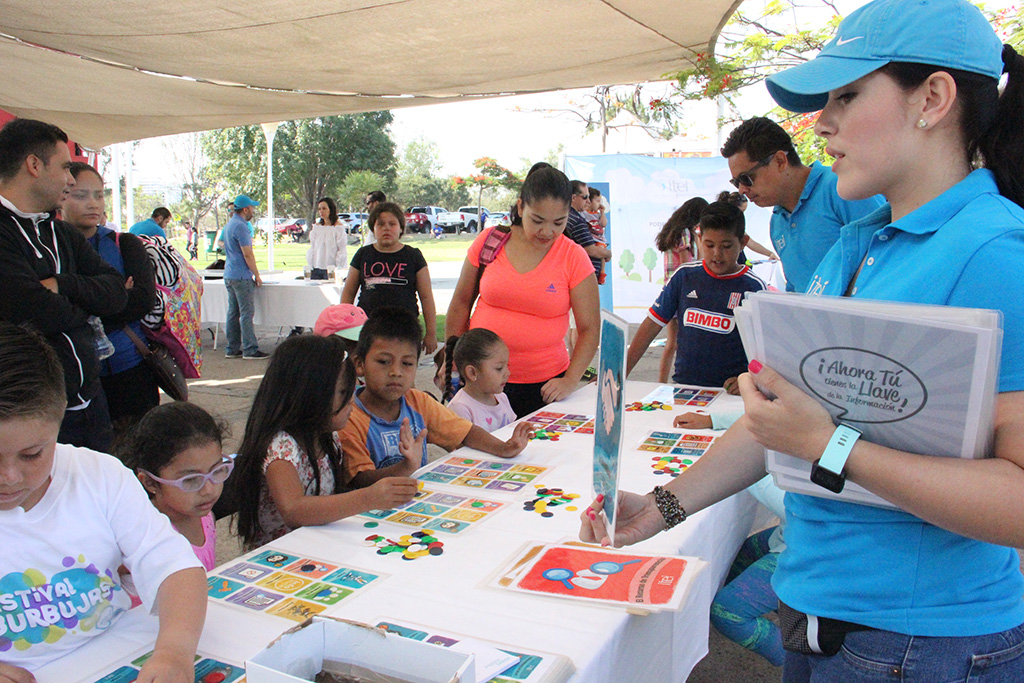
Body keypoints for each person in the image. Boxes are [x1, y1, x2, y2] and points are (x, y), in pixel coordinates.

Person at [582, 1, 1024, 679]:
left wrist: (831, 445)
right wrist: (662, 507)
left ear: (933, 98)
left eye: (847, 95)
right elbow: (778, 420)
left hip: (918, 641)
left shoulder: (993, 251)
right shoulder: (856, 245)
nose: (824, 123)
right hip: (821, 614)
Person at [0, 322, 206, 678]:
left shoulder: (99, 476)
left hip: (114, 660)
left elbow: (176, 567)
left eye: (32, 454)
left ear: (60, 416)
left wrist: (174, 652)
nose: (9, 477)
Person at [0, 118, 127, 451]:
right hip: (28, 416)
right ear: (33, 165)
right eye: (65, 168)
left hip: (91, 401)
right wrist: (88, 308)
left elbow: (116, 295)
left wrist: (62, 283)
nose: (70, 180)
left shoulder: (62, 233)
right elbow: (34, 310)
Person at [234, 334, 419, 549]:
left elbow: (348, 490)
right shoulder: (281, 446)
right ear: (308, 394)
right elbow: (294, 509)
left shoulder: (327, 436)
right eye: (342, 392)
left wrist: (405, 467)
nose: (351, 400)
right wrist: (368, 498)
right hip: (278, 558)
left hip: (317, 544)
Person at [446, 167, 600, 418]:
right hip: (482, 384)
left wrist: (570, 381)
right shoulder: (489, 242)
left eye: (558, 222)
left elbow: (590, 328)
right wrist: (454, 361)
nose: (547, 232)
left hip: (545, 387)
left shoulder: (573, 256)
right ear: (520, 208)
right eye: (537, 220)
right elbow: (461, 303)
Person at [340, 307, 533, 487]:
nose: (395, 372)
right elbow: (359, 481)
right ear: (359, 364)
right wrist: (405, 468)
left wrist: (504, 448)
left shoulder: (418, 402)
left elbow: (465, 432)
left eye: (407, 363)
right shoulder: (349, 417)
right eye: (384, 361)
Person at [721, 117, 881, 293]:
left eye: (746, 179)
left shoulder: (842, 189)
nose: (742, 190)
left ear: (780, 161)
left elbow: (888, 261)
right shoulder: (777, 222)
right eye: (736, 182)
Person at [62, 162, 160, 438]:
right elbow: (48, 308)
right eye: (81, 195)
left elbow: (142, 301)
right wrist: (114, 293)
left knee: (141, 447)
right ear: (62, 194)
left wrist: (81, 298)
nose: (93, 203)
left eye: (99, 195)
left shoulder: (125, 244)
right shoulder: (52, 248)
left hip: (130, 365)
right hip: (75, 375)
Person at [626, 201, 766, 394]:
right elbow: (651, 325)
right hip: (684, 388)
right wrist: (619, 372)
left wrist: (752, 377)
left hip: (730, 394)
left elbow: (767, 348)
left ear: (742, 242)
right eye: (709, 245)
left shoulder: (754, 287)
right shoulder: (684, 276)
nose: (717, 254)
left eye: (726, 246)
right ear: (699, 239)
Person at [121, 402, 229, 571]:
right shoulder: (142, 540)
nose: (208, 490)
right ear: (150, 482)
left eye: (216, 471)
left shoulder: (205, 516)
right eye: (191, 480)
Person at [341, 202, 438, 354]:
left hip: (405, 329)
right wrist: (346, 325)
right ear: (373, 228)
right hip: (369, 328)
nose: (386, 228)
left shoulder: (413, 256)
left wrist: (431, 333)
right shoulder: (362, 254)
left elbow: (426, 297)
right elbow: (348, 292)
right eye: (380, 224)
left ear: (401, 228)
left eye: (392, 224)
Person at [653, 197, 708, 384]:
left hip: (673, 289)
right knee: (675, 343)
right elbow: (688, 265)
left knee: (672, 343)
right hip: (683, 291)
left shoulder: (675, 231)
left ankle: (661, 382)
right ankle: (664, 383)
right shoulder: (685, 233)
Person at [444, 328, 517, 432]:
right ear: (472, 373)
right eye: (499, 368)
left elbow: (511, 431)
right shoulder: (460, 408)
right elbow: (462, 446)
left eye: (507, 366)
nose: (507, 373)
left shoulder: (501, 398)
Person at [222, 193, 267, 360]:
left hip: (230, 273)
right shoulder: (241, 226)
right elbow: (247, 253)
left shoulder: (230, 225)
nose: (253, 211)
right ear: (246, 209)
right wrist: (257, 274)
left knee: (233, 312)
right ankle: (250, 348)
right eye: (252, 208)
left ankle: (232, 348)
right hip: (242, 275)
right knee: (246, 313)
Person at [715, 190, 779, 264]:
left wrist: (769, 253)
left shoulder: (736, 225)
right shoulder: (720, 227)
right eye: (741, 211)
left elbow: (750, 243)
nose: (742, 215)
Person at [306, 196, 347, 281]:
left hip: (331, 269)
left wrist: (338, 267)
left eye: (324, 208)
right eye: (319, 209)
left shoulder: (338, 228)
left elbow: (341, 249)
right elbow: (313, 247)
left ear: (330, 210)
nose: (321, 211)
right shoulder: (317, 228)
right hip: (317, 268)